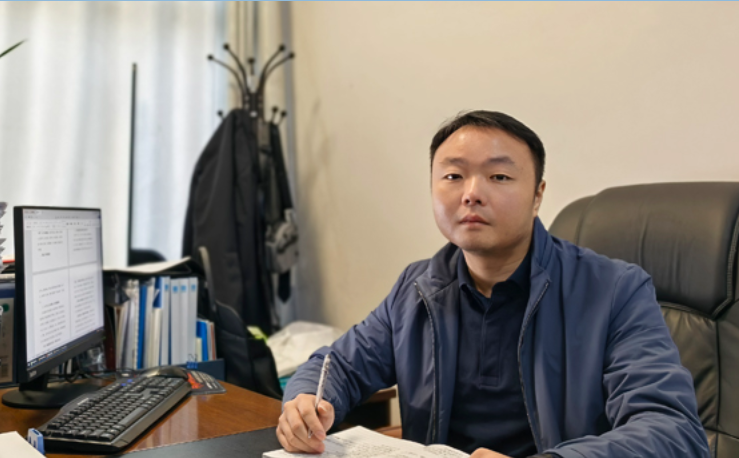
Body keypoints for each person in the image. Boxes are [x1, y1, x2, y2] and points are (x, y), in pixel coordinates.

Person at [277, 110, 709, 458]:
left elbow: (673, 432)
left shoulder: (616, 290)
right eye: (453, 176)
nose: (471, 193)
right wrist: (304, 402)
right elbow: (339, 365)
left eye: (499, 177)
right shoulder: (418, 287)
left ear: (537, 195)